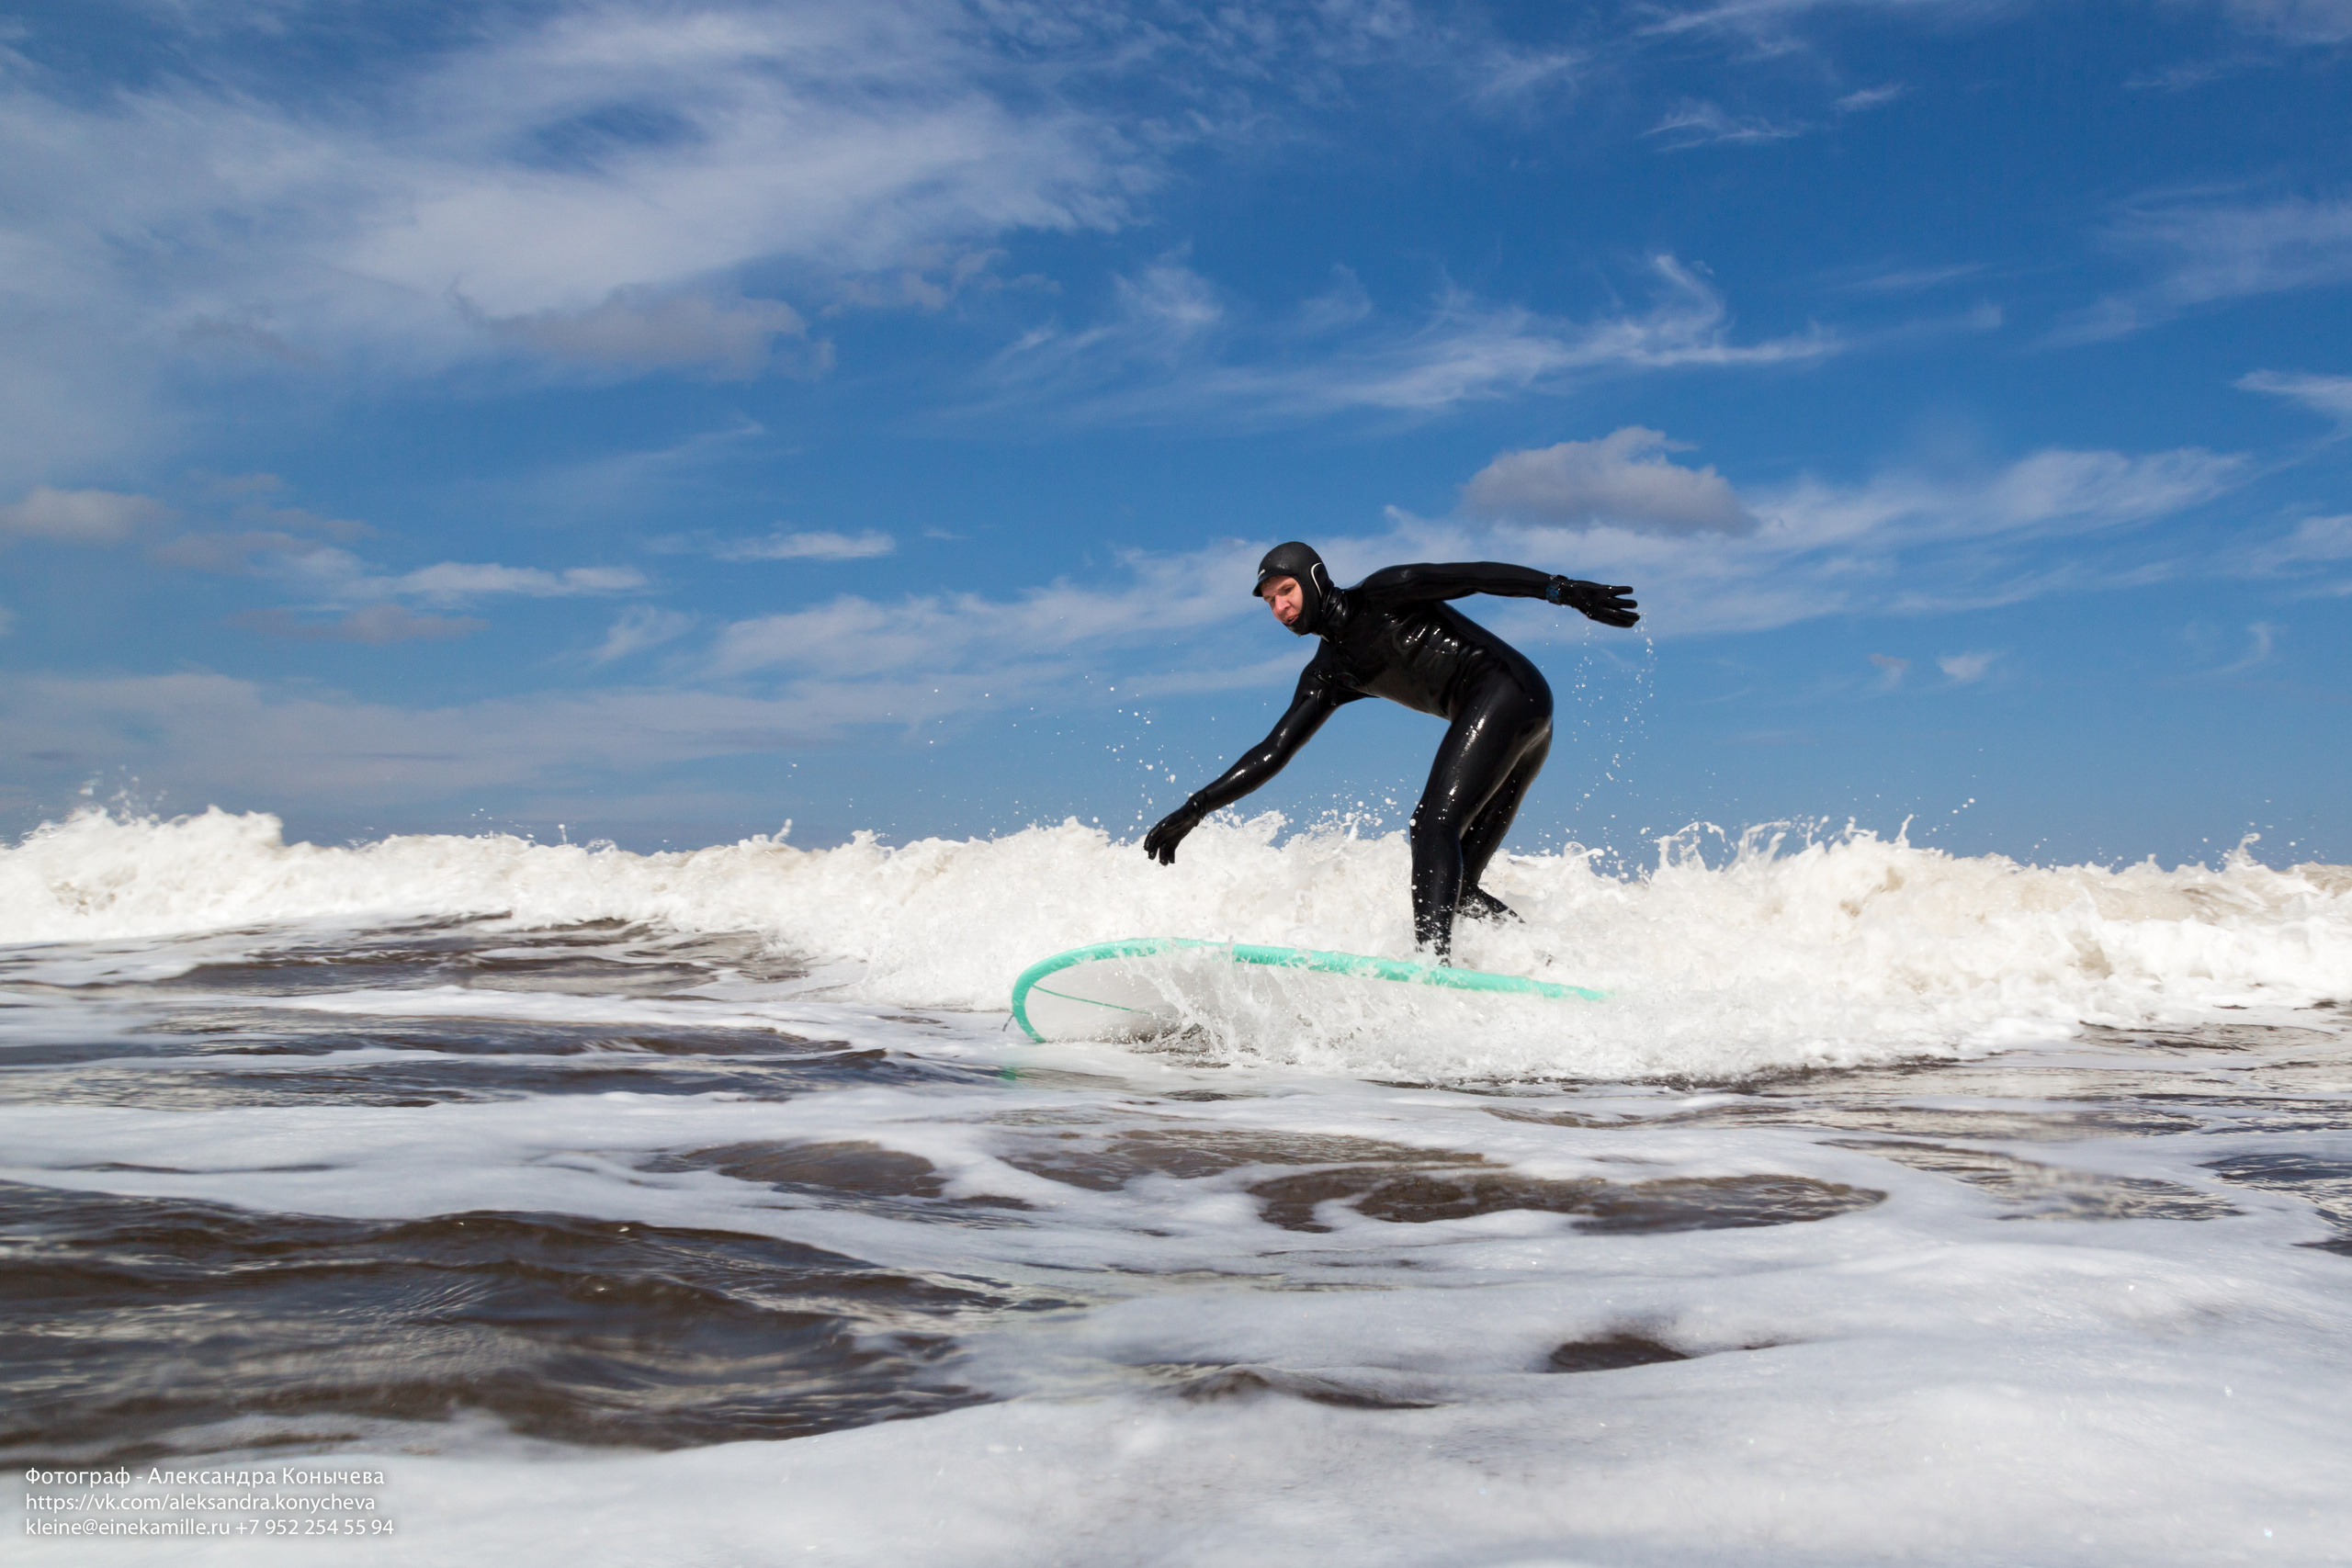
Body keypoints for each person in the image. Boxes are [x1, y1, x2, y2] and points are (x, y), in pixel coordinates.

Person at [1140, 542, 1638, 961]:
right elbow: (1274, 749)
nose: (1280, 609)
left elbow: (1476, 576)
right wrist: (1195, 808)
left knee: (1431, 825)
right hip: (1525, 728)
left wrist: (1562, 590)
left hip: (1508, 693)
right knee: (1458, 887)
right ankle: (1549, 964)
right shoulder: (1328, 673)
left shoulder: (1385, 592)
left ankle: (1431, 970)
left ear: (1315, 581)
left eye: (1286, 592)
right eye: (1270, 602)